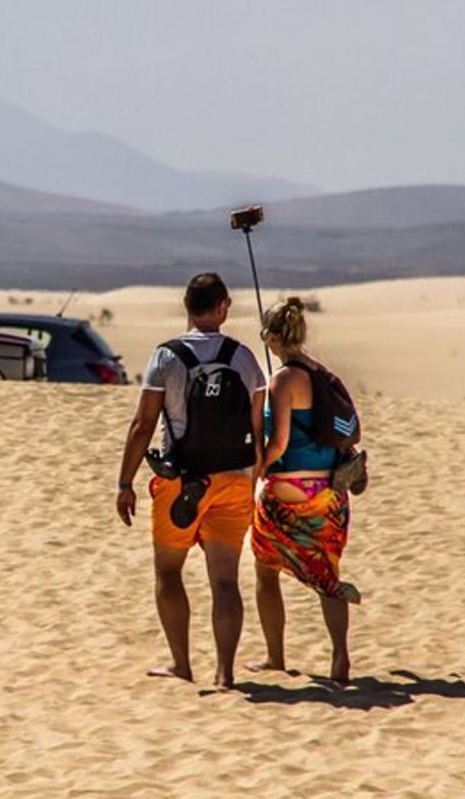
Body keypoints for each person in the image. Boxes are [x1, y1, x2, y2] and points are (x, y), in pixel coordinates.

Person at [116, 273, 265, 689]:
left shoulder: (165, 357)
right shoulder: (244, 358)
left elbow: (143, 424)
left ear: (186, 307)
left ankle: (182, 664)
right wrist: (255, 482)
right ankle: (226, 673)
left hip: (180, 481)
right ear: (222, 308)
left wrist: (124, 482)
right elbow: (258, 431)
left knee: (168, 572)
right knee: (225, 580)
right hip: (234, 480)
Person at [249, 296, 361, 685]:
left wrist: (259, 468)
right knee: (327, 575)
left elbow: (279, 441)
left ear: (272, 336)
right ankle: (340, 657)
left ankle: (275, 657)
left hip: (288, 493)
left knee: (265, 570)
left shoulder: (283, 380)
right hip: (330, 494)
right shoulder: (321, 373)